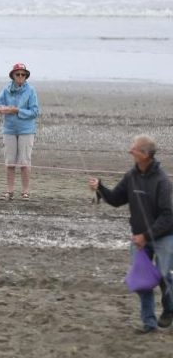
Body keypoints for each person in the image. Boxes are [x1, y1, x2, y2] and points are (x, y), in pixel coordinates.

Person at [88, 135, 173, 334]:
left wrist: (146, 236)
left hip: (164, 236)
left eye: (133, 149)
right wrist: (100, 187)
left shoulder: (162, 180)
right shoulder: (131, 176)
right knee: (142, 280)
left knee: (163, 276)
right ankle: (149, 324)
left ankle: (170, 308)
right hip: (140, 238)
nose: (130, 151)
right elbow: (116, 199)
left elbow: (168, 216)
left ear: (145, 155)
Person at [0, 63, 40, 201]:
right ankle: (9, 191)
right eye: (18, 74)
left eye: (23, 74)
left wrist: (18, 111)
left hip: (26, 130)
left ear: (26, 76)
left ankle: (25, 191)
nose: (20, 77)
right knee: (10, 161)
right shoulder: (6, 89)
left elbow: (35, 112)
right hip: (9, 130)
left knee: (24, 161)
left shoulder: (31, 90)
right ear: (13, 75)